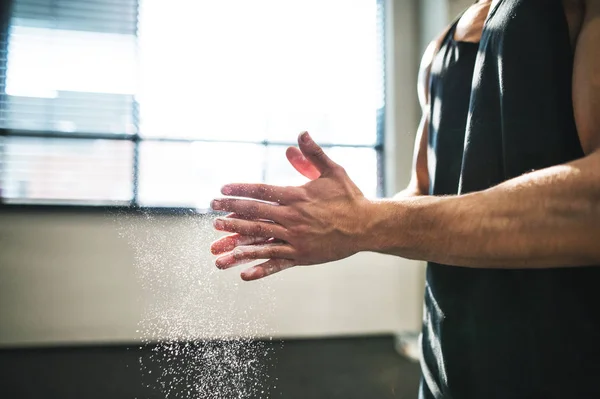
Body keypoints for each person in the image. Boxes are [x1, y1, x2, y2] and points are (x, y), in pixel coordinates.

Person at [210, 0, 600, 397]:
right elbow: (422, 190)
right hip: (446, 367)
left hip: (561, 367)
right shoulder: (440, 51)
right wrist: (329, 216)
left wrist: (360, 221)